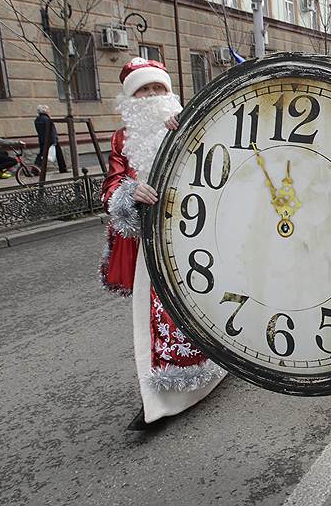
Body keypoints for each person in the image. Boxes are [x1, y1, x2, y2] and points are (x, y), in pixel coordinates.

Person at [100, 57, 226, 430]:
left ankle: (215, 367)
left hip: (199, 233)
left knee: (207, 303)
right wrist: (128, 191)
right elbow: (111, 185)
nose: (153, 96)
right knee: (157, 317)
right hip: (152, 242)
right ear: (130, 98)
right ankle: (162, 401)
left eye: (159, 88)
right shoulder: (123, 138)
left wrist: (187, 133)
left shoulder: (190, 124)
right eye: (144, 89)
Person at [34, 104, 67, 173]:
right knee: (59, 154)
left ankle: (35, 169)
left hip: (42, 139)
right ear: (45, 111)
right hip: (51, 139)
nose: (49, 111)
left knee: (41, 154)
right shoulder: (47, 120)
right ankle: (63, 168)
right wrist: (55, 140)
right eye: (48, 110)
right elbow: (51, 131)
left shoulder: (37, 120)